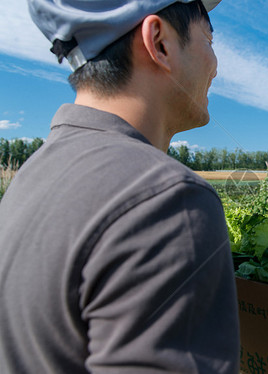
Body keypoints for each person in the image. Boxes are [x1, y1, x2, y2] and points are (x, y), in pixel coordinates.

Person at [0, 1, 240, 373]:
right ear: (159, 42)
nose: (216, 63)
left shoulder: (30, 180)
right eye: (209, 39)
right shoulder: (170, 200)